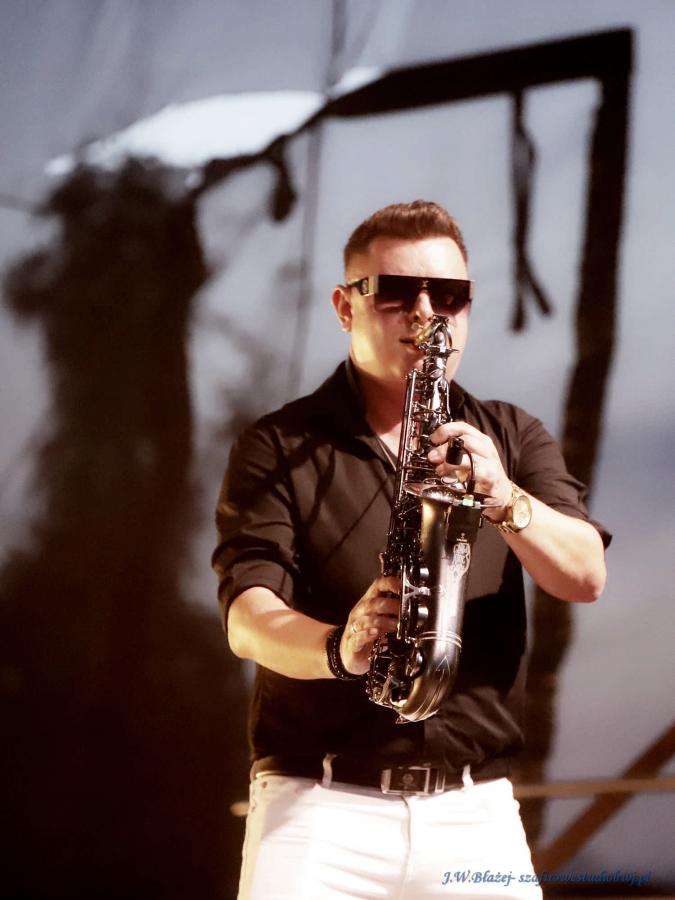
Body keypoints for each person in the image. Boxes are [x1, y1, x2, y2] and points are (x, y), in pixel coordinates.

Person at [212, 200, 609, 899]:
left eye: (449, 295)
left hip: (474, 811)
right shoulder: (276, 444)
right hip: (316, 808)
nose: (427, 313)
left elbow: (584, 575)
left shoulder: (511, 435)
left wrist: (503, 497)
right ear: (345, 306)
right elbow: (248, 618)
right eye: (397, 292)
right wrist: (339, 647)